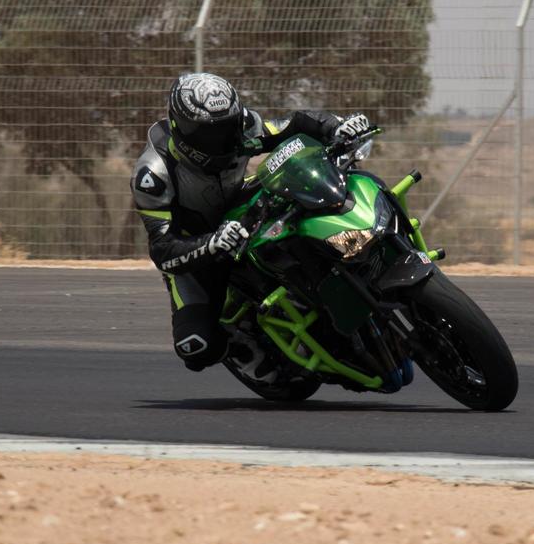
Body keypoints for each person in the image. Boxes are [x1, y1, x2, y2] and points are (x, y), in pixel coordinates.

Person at [131, 72, 370, 372]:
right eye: (208, 133)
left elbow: (294, 125)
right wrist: (211, 243)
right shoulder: (153, 174)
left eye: (227, 127)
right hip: (197, 249)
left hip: (242, 208)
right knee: (196, 347)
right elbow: (162, 249)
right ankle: (247, 339)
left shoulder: (242, 127)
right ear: (181, 128)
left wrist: (337, 125)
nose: (222, 139)